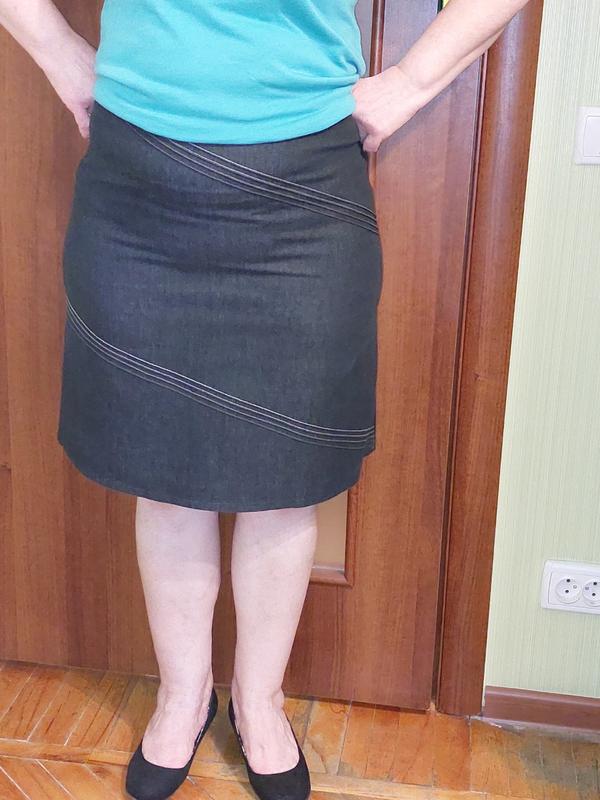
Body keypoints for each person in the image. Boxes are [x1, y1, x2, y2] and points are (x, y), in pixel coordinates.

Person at [0, 1, 532, 799]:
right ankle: (183, 699)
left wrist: (414, 81)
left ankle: (260, 704)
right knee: (165, 476)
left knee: (285, 480)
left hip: (305, 190)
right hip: (137, 179)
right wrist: (54, 47)